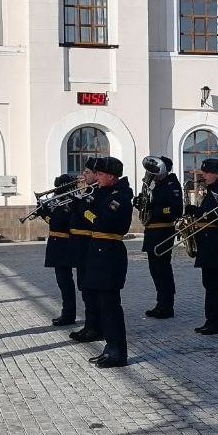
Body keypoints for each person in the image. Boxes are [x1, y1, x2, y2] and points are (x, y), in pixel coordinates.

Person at [83, 157, 133, 368]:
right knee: (102, 305)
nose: (97, 178)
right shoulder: (105, 193)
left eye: (100, 175)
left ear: (111, 177)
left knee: (111, 306)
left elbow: (103, 221)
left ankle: (118, 352)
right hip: (99, 253)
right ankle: (110, 347)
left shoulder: (120, 196)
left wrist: (85, 209)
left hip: (110, 253)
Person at [184, 158, 218, 335]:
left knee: (216, 285)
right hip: (208, 242)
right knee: (209, 283)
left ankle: (217, 322)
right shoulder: (213, 189)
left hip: (216, 242)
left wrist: (197, 212)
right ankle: (210, 319)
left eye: (206, 173)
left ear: (216, 173)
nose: (203, 176)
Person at [135, 155, 182, 319]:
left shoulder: (172, 185)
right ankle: (160, 302)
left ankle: (167, 305)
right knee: (155, 270)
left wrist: (154, 210)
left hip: (163, 232)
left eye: (156, 170)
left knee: (163, 270)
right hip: (152, 233)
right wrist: (140, 203)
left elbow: (176, 210)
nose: (152, 173)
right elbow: (150, 202)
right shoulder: (157, 185)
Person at [66, 159, 101, 343]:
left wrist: (80, 207)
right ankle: (91, 324)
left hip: (89, 244)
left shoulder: (97, 193)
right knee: (84, 287)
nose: (83, 175)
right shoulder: (88, 191)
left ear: (96, 174)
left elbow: (93, 218)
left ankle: (93, 326)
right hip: (80, 246)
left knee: (89, 289)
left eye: (87, 172)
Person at [42, 174, 76, 326]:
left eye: (59, 187)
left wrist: (45, 214)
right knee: (62, 282)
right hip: (57, 245)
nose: (56, 190)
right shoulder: (60, 200)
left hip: (63, 245)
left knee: (65, 282)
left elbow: (59, 222)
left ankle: (68, 314)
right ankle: (67, 312)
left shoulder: (69, 202)